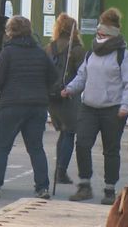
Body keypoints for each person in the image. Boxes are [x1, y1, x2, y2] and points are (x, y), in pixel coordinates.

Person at [0, 16, 58, 199]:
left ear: (10, 32)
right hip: (37, 106)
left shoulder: (8, 52)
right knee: (36, 147)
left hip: (12, 104)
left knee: (1, 147)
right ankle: (42, 188)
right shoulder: (40, 52)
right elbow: (54, 77)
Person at [63, 8, 128, 205]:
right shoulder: (90, 54)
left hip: (113, 109)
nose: (99, 37)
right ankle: (84, 185)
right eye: (98, 33)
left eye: (103, 34)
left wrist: (126, 105)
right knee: (82, 144)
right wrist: (69, 89)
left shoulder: (123, 56)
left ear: (111, 36)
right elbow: (82, 76)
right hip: (89, 107)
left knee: (111, 150)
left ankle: (110, 189)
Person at [44, 13, 86, 185]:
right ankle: (61, 172)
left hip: (51, 97)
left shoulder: (49, 48)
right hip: (69, 97)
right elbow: (84, 74)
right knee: (69, 133)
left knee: (62, 132)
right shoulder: (77, 49)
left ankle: (59, 171)